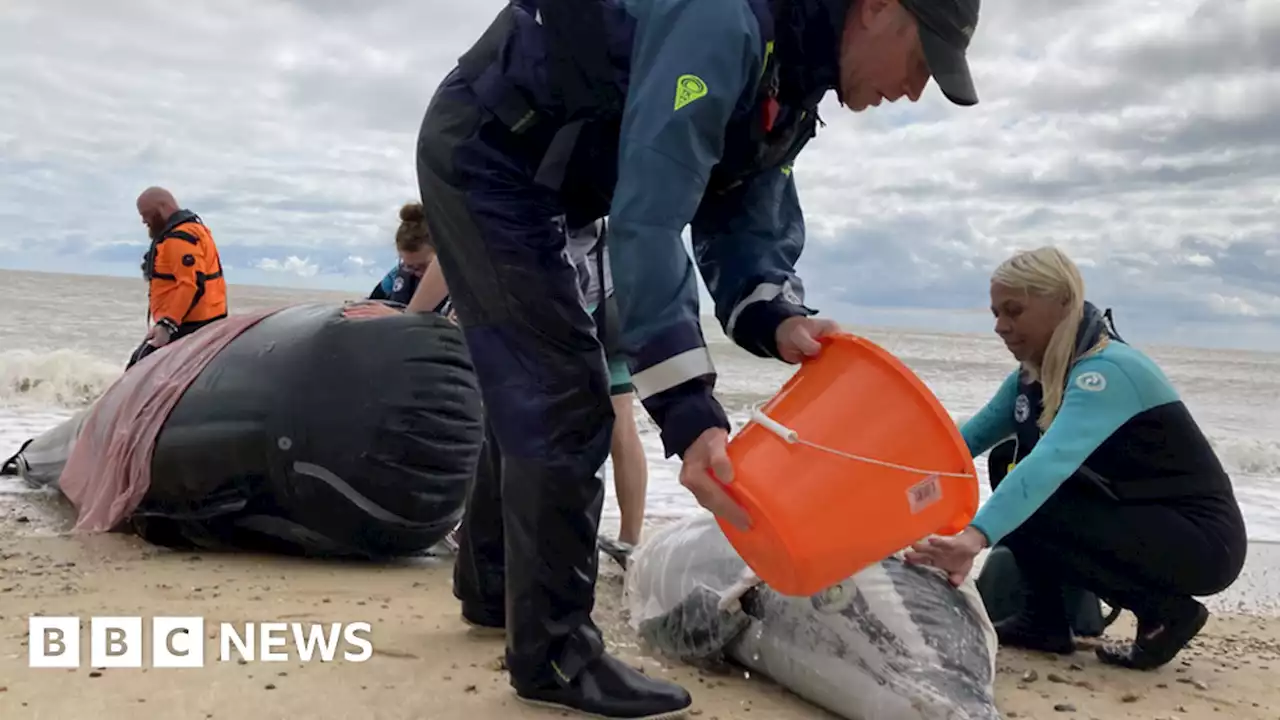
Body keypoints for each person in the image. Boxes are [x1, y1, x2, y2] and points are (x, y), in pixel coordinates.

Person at [407, 0, 984, 715]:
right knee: (563, 392)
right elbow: (651, 215)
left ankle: (495, 589)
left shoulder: (791, 70)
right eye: (922, 59)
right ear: (876, 9)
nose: (914, 89)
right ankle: (553, 655)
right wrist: (687, 410)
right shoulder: (721, 21)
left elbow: (742, 205)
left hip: (550, 182)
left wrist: (770, 313)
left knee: (541, 377)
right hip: (489, 157)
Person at [904, 246, 1248, 672]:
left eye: (1014, 311)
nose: (1000, 326)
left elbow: (1049, 464)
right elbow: (958, 446)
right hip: (1141, 519)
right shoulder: (1035, 374)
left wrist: (972, 540)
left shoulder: (1106, 371)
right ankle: (1044, 621)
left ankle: (1165, 611)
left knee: (1032, 481)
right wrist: (874, 480)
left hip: (1204, 543)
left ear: (1063, 303)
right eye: (995, 313)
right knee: (1005, 460)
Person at [565, 218, 649, 550]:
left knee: (555, 427)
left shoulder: (553, 196)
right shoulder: (609, 203)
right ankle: (630, 539)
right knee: (622, 428)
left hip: (579, 316)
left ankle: (568, 530)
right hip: (617, 318)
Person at [128, 187, 227, 368]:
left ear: (163, 207)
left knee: (137, 367)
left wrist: (167, 325)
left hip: (188, 326)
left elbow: (191, 284)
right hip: (205, 322)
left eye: (146, 214)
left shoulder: (179, 238)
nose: (143, 221)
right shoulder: (195, 230)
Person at [366, 203, 449, 309]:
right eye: (409, 266)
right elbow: (371, 303)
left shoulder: (463, 280)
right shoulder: (395, 276)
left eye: (423, 266)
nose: (418, 273)